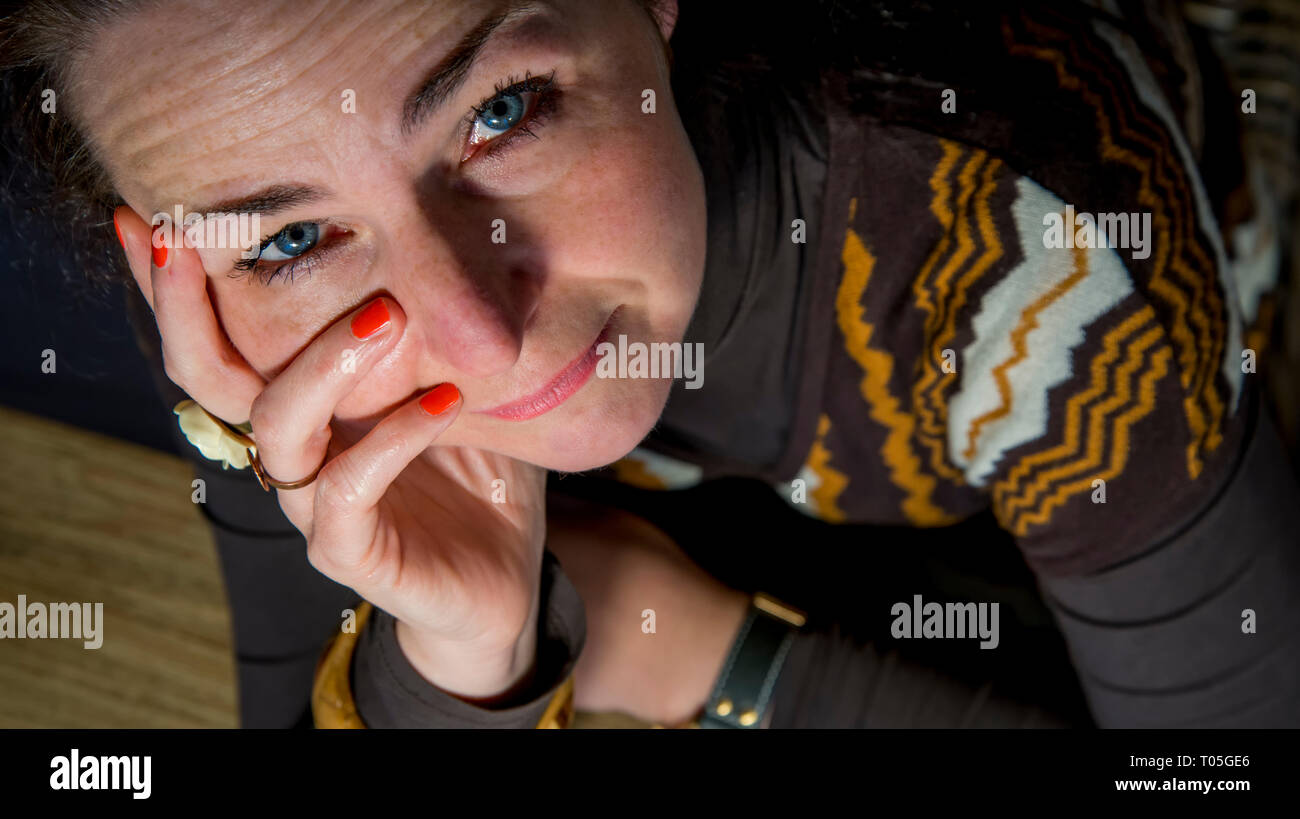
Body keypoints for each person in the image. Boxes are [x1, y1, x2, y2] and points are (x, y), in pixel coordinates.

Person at [3, 0, 1297, 729]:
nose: (479, 341)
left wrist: (679, 644)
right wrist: (468, 655)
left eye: (500, 111)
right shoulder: (223, 273)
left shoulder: (1003, 216)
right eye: (294, 237)